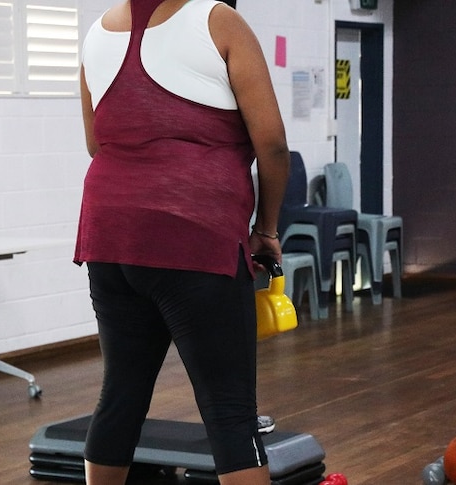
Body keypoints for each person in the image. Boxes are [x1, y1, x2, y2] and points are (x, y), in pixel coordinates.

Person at [74, 1, 289, 484]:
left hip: (110, 234)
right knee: (230, 410)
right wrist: (267, 229)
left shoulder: (97, 32)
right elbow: (272, 145)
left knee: (121, 393)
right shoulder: (219, 20)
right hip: (197, 235)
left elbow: (96, 142)